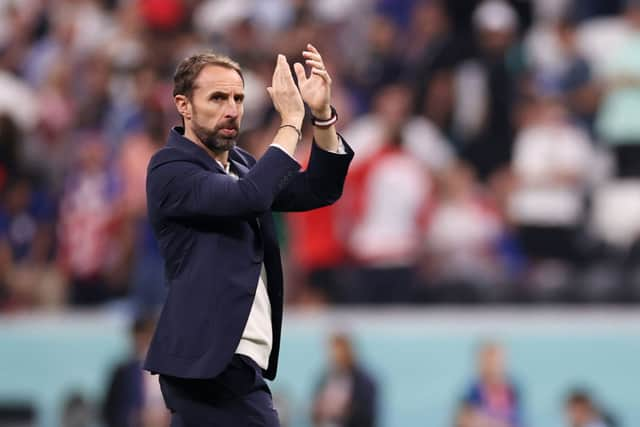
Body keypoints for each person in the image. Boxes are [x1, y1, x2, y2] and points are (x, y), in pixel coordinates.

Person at [144, 45, 353, 426]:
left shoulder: (242, 164)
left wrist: (321, 116)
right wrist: (290, 123)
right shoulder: (169, 168)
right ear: (183, 105)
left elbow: (319, 189)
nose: (232, 109)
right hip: (211, 362)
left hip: (230, 361)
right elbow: (249, 198)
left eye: (238, 98)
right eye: (218, 97)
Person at [102, 313, 170, 427]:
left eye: (150, 336)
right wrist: (136, 418)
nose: (146, 341)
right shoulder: (122, 373)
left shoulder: (173, 372)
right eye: (142, 336)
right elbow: (111, 412)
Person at [311, 333, 377, 427]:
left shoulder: (364, 382)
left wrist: (344, 412)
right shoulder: (325, 377)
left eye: (340, 352)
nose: (336, 356)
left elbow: (367, 415)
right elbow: (315, 409)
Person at [462, 341, 523, 427]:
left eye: (496, 361)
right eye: (488, 361)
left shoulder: (512, 390)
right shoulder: (473, 392)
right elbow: (464, 420)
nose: (492, 366)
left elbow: (520, 420)